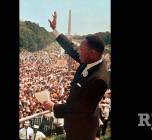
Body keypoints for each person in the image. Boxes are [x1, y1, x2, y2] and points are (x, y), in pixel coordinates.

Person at [43, 11, 109, 139]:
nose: (78, 51)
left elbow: (79, 108)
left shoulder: (99, 79)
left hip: (83, 128)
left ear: (92, 53)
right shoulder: (92, 61)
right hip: (78, 124)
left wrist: (54, 107)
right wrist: (54, 30)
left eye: (81, 50)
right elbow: (70, 47)